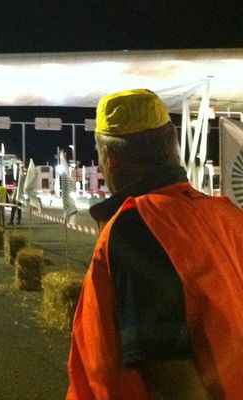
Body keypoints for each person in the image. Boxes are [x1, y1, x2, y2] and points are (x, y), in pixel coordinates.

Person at [66, 88, 243, 399]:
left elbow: (172, 379)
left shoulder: (138, 226)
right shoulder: (229, 216)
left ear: (110, 159)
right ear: (172, 145)